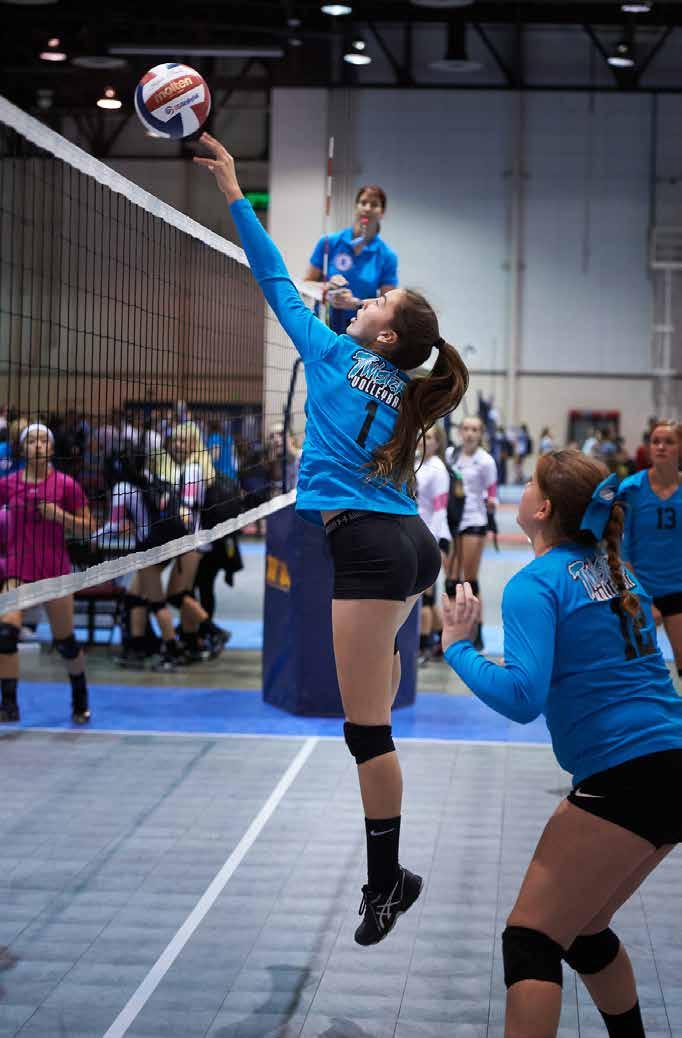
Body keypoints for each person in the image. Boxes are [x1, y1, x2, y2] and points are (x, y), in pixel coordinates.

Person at [195, 132, 469, 945]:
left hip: (372, 550)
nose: (366, 300)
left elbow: (275, 280)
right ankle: (390, 873)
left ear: (383, 336)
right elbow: (337, 312)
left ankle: (387, 884)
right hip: (409, 546)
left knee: (365, 732)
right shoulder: (408, 387)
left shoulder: (330, 354)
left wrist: (235, 193)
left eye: (378, 303)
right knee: (377, 698)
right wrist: (343, 299)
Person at [440, 449, 682, 1038]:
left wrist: (458, 648)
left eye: (530, 484)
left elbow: (523, 698)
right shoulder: (621, 572)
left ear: (544, 508)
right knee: (584, 930)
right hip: (670, 764)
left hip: (626, 775)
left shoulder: (536, 584)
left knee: (531, 940)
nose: (521, 490)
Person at [0, 424, 93, 724]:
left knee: (65, 642)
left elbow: (89, 528)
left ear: (51, 448)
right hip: (17, 569)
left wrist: (60, 515)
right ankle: (9, 705)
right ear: (22, 448)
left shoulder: (66, 485)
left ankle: (80, 698)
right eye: (31, 441)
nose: (38, 445)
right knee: (5, 634)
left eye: (43, 440)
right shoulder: (7, 484)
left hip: (54, 572)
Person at [619, 419, 682, 678]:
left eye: (669, 442)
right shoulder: (631, 489)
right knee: (636, 668)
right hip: (640, 589)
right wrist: (640, 596)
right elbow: (620, 550)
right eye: (655, 441)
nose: (661, 447)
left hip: (677, 589)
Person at [304, 184, 398, 335]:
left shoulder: (387, 256)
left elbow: (388, 305)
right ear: (356, 207)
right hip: (323, 326)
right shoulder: (328, 242)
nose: (367, 208)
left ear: (382, 213)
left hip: (361, 332)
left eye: (374, 205)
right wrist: (327, 288)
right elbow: (307, 283)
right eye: (363, 203)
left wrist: (356, 304)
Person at [445, 415, 497, 650]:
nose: (469, 433)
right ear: (460, 432)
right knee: (451, 580)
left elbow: (492, 492)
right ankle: (452, 630)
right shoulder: (451, 455)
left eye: (475, 429)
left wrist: (492, 503)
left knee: (470, 580)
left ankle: (477, 631)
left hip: (474, 521)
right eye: (466, 429)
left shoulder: (486, 461)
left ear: (481, 433)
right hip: (452, 521)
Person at [415, 425, 451, 663]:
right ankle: (443, 640)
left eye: (429, 437)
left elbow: (440, 510)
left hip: (435, 536)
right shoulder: (415, 463)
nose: (423, 440)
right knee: (424, 592)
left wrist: (433, 542)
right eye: (421, 435)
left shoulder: (438, 470)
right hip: (419, 533)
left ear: (438, 443)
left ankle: (423, 647)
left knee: (426, 595)